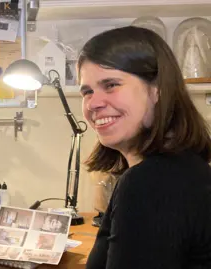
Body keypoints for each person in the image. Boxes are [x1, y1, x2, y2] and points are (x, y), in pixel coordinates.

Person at [79, 26, 211, 269]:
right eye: (87, 91)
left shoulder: (151, 182)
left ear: (157, 90)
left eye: (111, 85)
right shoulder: (183, 167)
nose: (94, 104)